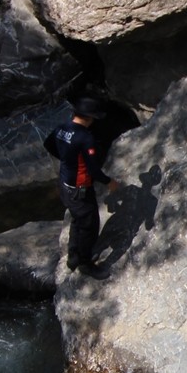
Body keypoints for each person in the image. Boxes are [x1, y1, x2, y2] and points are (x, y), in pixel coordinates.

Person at [45, 97, 120, 279]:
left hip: (65, 184)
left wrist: (66, 158)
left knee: (77, 220)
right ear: (88, 117)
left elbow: (48, 144)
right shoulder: (85, 138)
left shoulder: (62, 128)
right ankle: (85, 264)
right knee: (89, 226)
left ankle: (73, 257)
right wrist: (109, 182)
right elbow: (93, 169)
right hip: (79, 188)